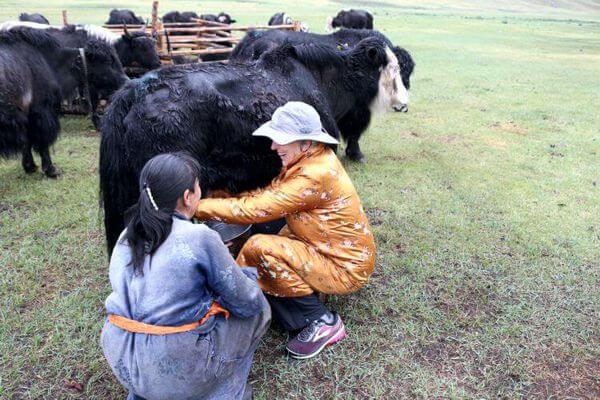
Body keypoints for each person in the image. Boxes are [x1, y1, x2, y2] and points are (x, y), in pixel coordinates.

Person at [195, 102, 376, 360]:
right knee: (265, 229)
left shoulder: (313, 174)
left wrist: (196, 207)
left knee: (261, 247)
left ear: (304, 142)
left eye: (280, 139)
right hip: (326, 247)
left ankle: (321, 321)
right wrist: (223, 196)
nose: (273, 146)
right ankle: (267, 295)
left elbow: (256, 208)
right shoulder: (311, 158)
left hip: (344, 266)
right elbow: (268, 196)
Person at [101, 153, 270, 400]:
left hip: (121, 354)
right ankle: (228, 393)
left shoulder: (128, 235)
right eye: (199, 185)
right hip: (174, 365)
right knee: (258, 310)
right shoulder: (200, 237)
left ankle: (142, 393)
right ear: (188, 196)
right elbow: (246, 301)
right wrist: (243, 273)